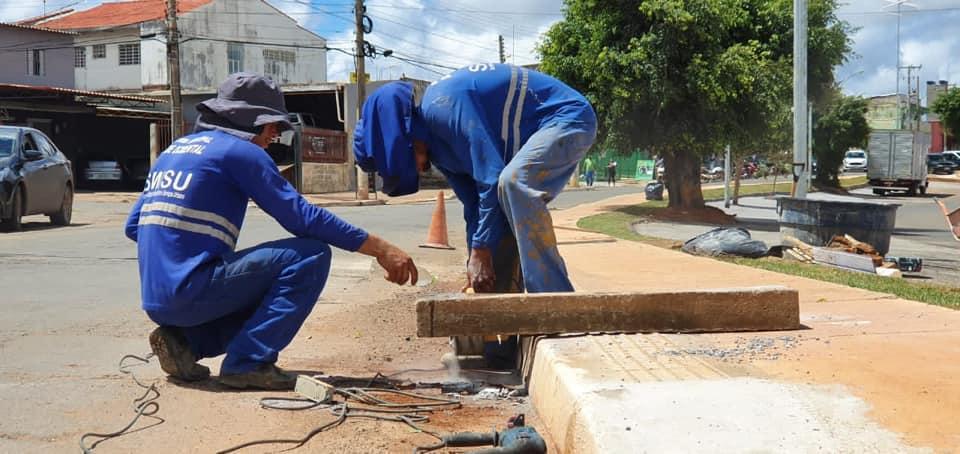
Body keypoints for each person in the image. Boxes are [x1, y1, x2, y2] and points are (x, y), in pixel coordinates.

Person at [125, 73, 418, 390]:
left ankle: (185, 343)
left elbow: (133, 226)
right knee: (309, 257)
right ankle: (248, 363)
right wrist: (381, 249)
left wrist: (183, 255)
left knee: (259, 283)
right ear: (251, 122)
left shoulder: (174, 151)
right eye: (273, 125)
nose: (275, 135)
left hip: (155, 299)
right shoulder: (241, 152)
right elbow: (302, 218)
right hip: (191, 293)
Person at [354, 65, 596, 365]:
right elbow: (475, 207)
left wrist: (481, 250)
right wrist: (476, 261)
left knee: (514, 184)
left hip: (566, 118)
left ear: (405, 143)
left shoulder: (444, 107)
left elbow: (492, 180)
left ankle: (558, 308)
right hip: (536, 134)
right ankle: (499, 344)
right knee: (495, 225)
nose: (415, 169)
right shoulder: (440, 148)